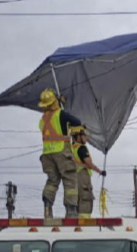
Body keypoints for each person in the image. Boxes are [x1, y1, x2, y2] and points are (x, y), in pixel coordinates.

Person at [38, 88, 83, 218]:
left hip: (47, 154)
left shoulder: (42, 120)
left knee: (52, 181)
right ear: (55, 101)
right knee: (70, 180)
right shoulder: (61, 114)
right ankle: (71, 211)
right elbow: (77, 122)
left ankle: (47, 208)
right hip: (61, 151)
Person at [70, 126, 106, 218]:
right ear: (78, 136)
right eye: (84, 135)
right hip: (82, 176)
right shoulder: (81, 148)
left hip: (73, 177)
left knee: (76, 197)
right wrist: (100, 171)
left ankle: (77, 217)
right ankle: (84, 218)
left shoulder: (71, 148)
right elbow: (89, 164)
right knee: (86, 196)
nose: (86, 138)